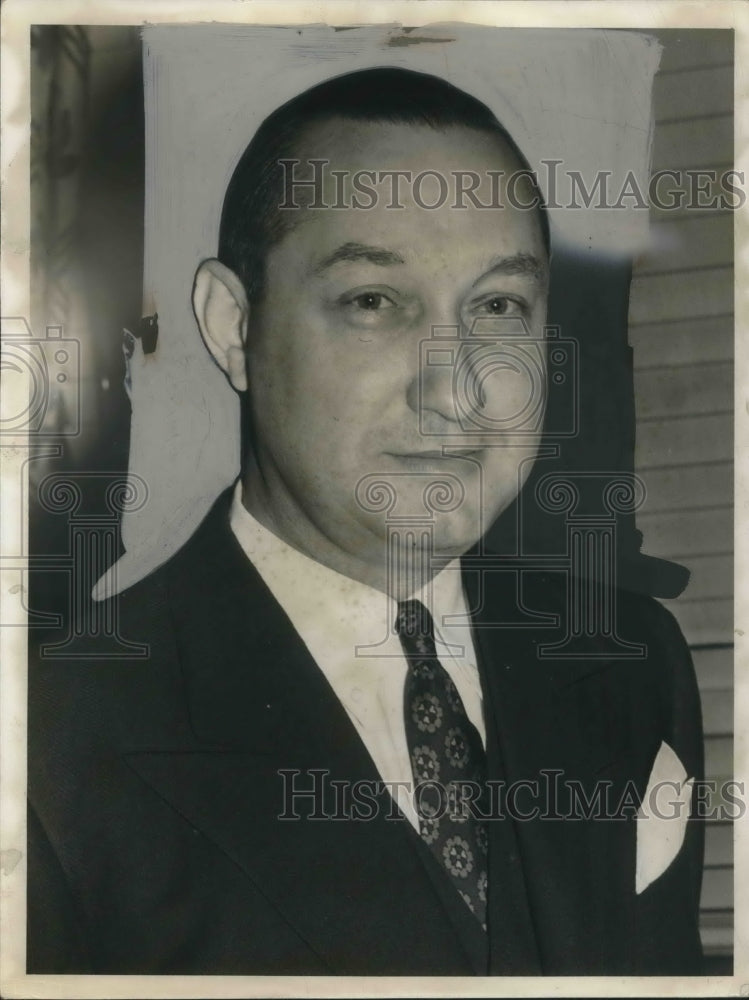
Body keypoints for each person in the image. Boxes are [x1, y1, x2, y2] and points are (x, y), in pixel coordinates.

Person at [27, 67, 705, 976]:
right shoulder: (55, 734)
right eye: (372, 303)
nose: (454, 387)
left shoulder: (631, 658)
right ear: (232, 326)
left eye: (498, 306)